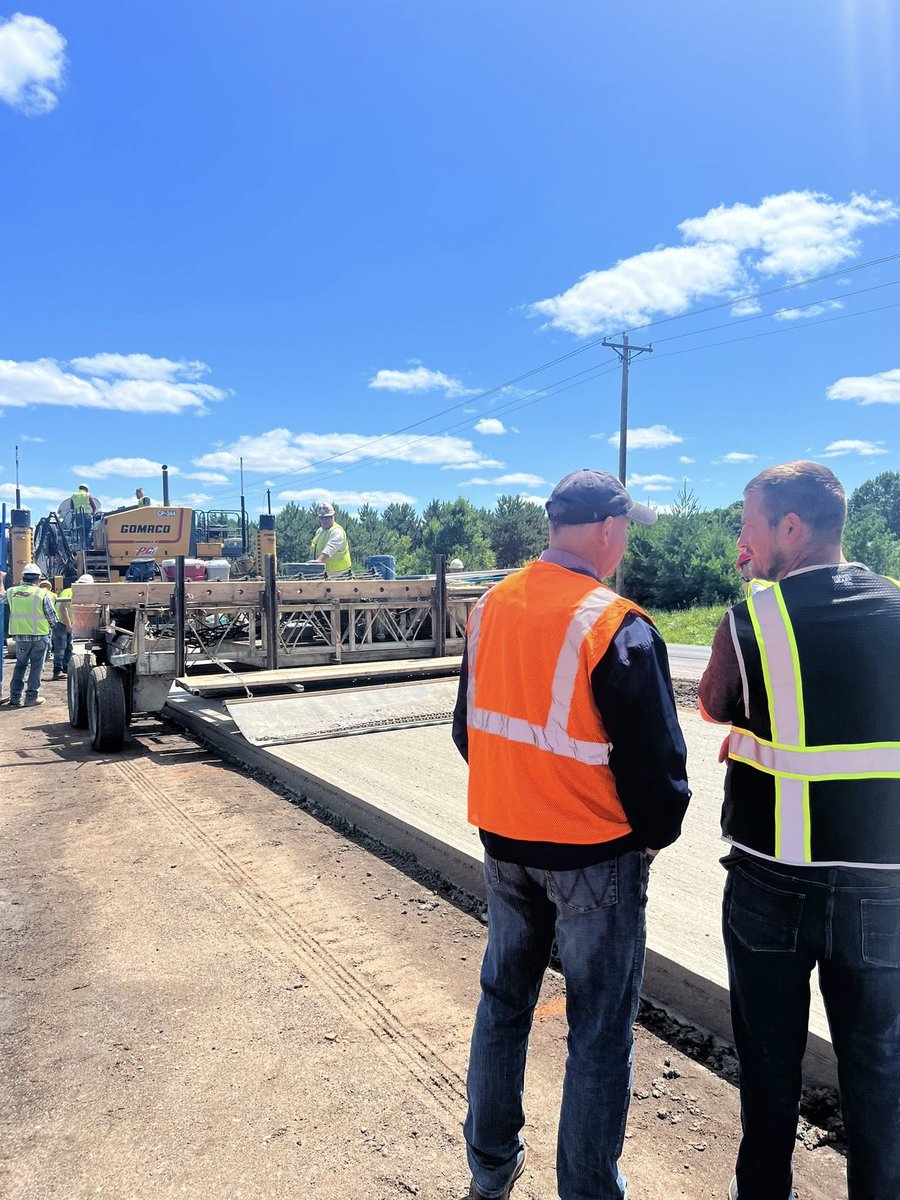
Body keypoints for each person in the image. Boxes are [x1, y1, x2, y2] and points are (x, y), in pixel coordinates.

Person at [453, 468, 691, 1200]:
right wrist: (653, 834)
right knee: (597, 1029)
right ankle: (587, 1189)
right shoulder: (616, 624)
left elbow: (469, 730)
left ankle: (491, 1168)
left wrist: (518, 794)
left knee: (503, 1002)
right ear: (608, 530)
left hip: (505, 845)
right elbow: (658, 764)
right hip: (594, 858)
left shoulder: (491, 607)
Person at [698, 462, 900, 1200]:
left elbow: (715, 705)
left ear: (790, 528)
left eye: (749, 527)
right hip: (885, 885)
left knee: (769, 1069)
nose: (740, 542)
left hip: (770, 881)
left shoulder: (751, 619)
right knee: (881, 1076)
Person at [4, 563, 59, 708]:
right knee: (36, 667)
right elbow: (53, 617)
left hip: (20, 638)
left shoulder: (12, 592)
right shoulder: (42, 594)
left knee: (20, 666)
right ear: (38, 579)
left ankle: (15, 698)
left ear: (23, 577)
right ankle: (31, 698)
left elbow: (1, 597)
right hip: (39, 637)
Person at [310, 502, 352, 577]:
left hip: (341, 576)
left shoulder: (337, 531)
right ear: (319, 518)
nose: (325, 520)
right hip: (326, 575)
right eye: (322, 518)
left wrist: (317, 562)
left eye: (328, 517)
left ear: (333, 517)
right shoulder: (319, 531)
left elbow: (329, 549)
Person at [51, 572, 76, 679]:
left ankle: (66, 667)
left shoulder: (83, 594)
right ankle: (57, 670)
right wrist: (68, 624)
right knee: (61, 647)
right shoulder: (68, 592)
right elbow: (63, 608)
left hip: (70, 623)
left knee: (69, 647)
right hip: (61, 622)